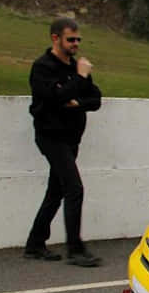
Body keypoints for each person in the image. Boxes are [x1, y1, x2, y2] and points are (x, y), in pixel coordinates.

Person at [23, 17, 102, 267]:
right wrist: (78, 80)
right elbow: (55, 98)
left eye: (78, 39)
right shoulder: (43, 67)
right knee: (74, 188)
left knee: (55, 192)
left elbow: (96, 99)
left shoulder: (75, 68)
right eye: (71, 39)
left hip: (71, 138)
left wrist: (77, 101)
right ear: (55, 38)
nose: (76, 43)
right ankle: (75, 250)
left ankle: (35, 244)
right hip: (51, 137)